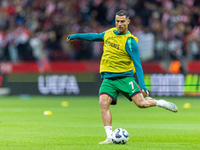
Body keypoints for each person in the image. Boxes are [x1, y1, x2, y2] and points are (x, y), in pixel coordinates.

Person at [67, 10, 178, 145]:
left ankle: (160, 103)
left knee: (141, 104)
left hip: (125, 78)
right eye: (117, 21)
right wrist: (75, 36)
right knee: (103, 103)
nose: (119, 24)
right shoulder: (109, 33)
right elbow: (93, 36)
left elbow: (138, 65)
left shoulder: (130, 42)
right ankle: (109, 137)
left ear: (128, 22)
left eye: (122, 21)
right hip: (108, 78)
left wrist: (142, 85)